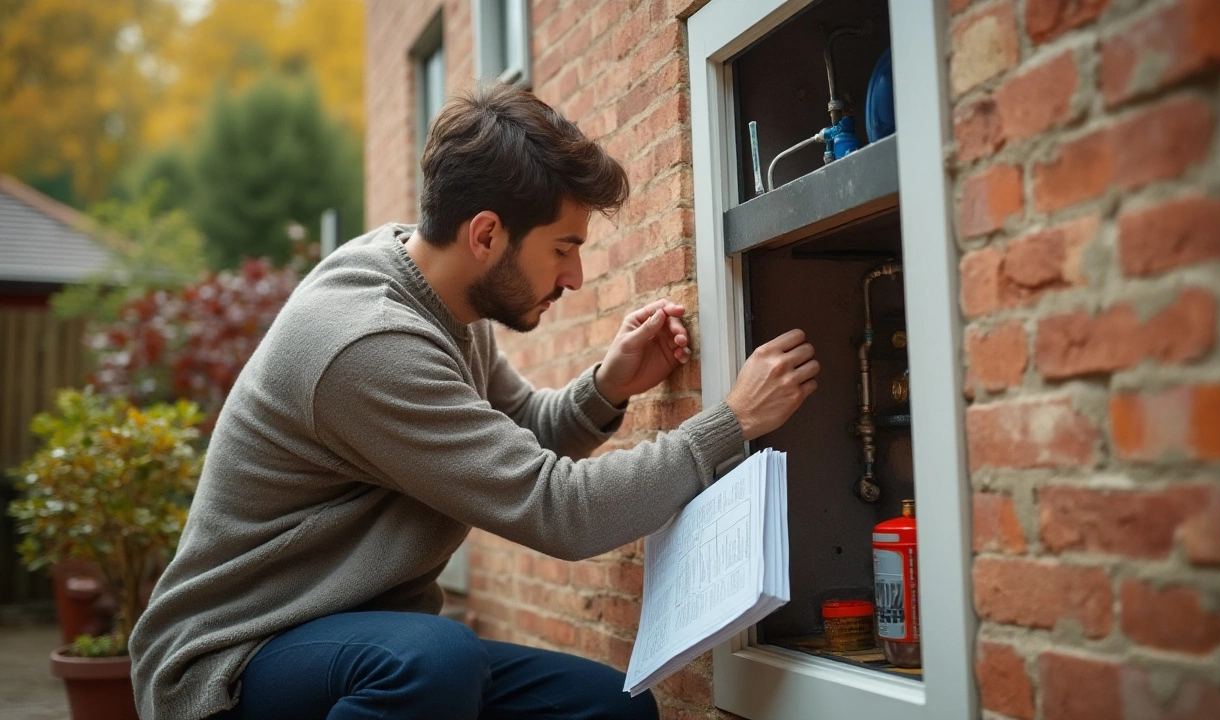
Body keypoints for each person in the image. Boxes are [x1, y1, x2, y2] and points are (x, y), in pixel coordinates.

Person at [130, 83, 820, 720]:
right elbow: (560, 511)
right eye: (564, 249)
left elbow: (521, 433)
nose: (576, 277)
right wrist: (732, 423)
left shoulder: (438, 296)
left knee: (611, 708)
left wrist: (607, 383)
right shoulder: (366, 345)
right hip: (238, 656)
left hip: (361, 640)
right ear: (486, 234)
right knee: (435, 660)